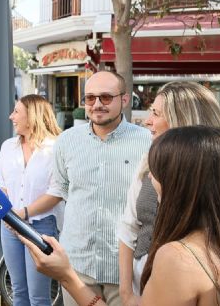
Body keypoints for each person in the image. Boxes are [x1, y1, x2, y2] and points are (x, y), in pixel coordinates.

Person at [22, 126, 220, 306]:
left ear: (180, 181)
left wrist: (67, 277)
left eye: (156, 169)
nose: (149, 176)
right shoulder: (214, 246)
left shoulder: (178, 258)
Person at [117, 81, 220, 305]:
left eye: (156, 113)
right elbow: (128, 226)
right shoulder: (147, 160)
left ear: (182, 118)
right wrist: (127, 292)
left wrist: (68, 278)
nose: (148, 121)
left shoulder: (177, 258)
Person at [46, 71, 152, 306]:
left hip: (124, 271)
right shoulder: (66, 141)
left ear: (124, 100)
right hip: (77, 266)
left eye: (105, 97)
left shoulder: (148, 142)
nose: (96, 105)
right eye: (90, 98)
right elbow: (65, 189)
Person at [0, 94, 63, 306]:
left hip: (41, 228)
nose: (10, 116)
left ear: (32, 116)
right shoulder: (8, 146)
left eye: (16, 112)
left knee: (38, 296)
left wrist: (22, 214)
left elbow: (57, 191)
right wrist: (8, 215)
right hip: (10, 226)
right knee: (18, 292)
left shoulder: (55, 148)